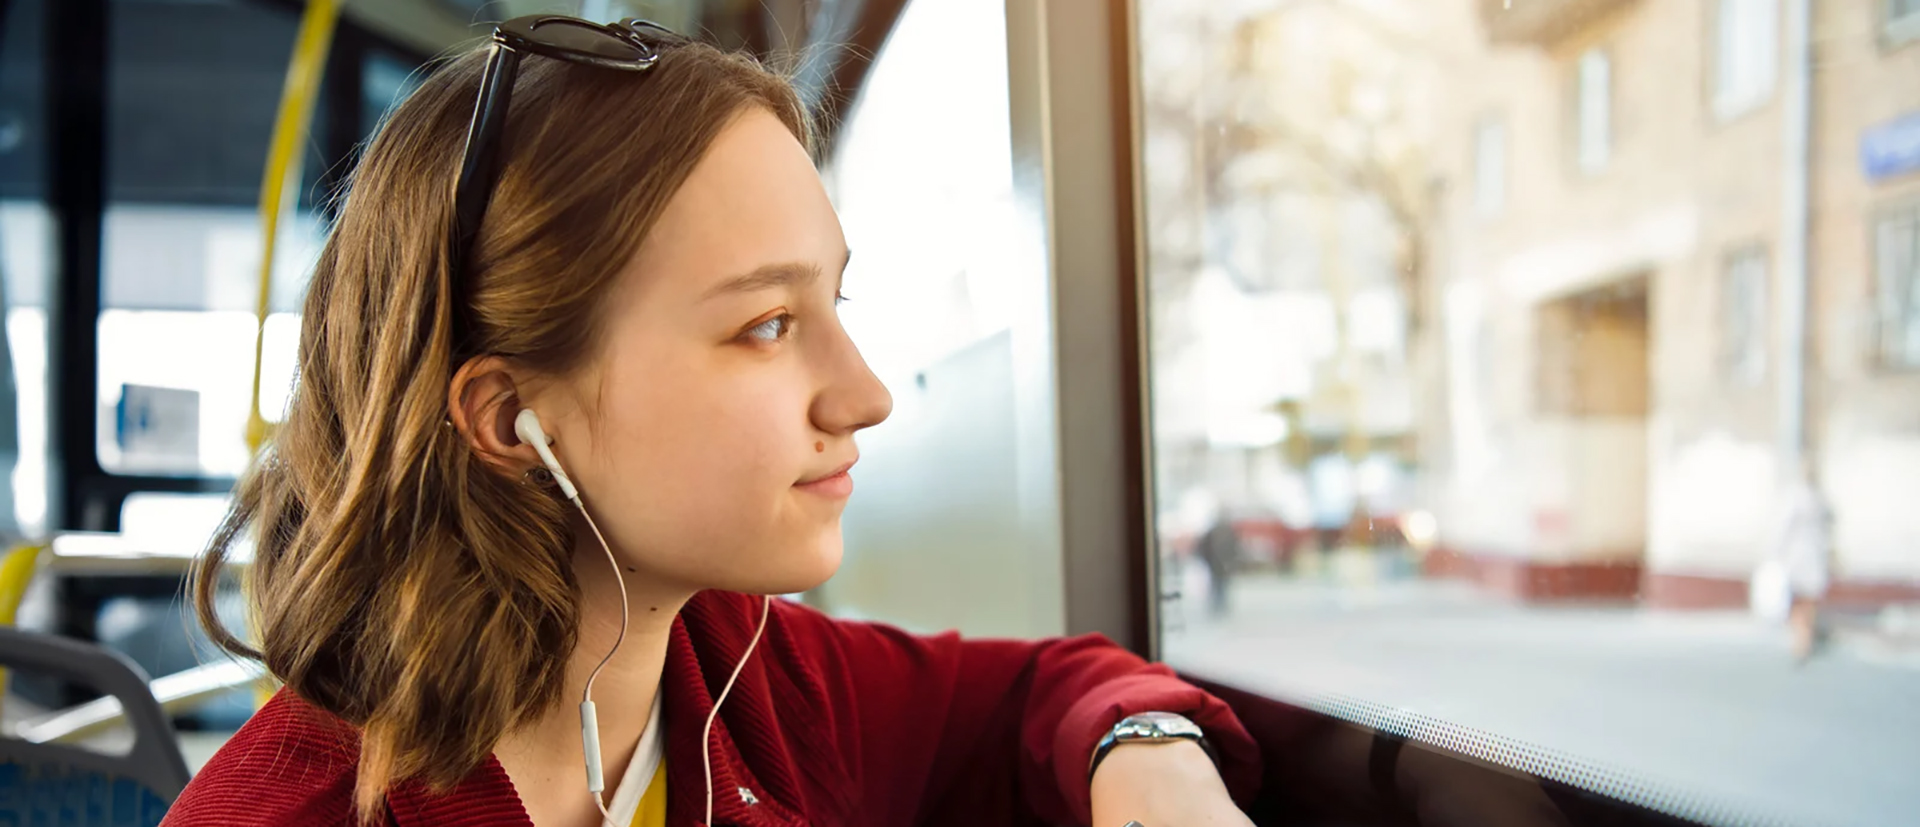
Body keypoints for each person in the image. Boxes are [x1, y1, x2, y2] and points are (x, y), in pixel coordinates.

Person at [163, 17, 1259, 827]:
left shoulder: (750, 678)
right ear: (508, 418)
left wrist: (1149, 755)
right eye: (769, 325)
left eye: (836, 302)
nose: (866, 394)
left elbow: (1051, 686)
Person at [1774, 456, 1833, 662]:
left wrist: (1778, 552)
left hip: (1800, 558)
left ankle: (1801, 639)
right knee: (1807, 601)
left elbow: (1783, 528)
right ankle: (1804, 638)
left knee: (1800, 601)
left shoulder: (1800, 498)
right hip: (1811, 558)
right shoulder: (1818, 499)